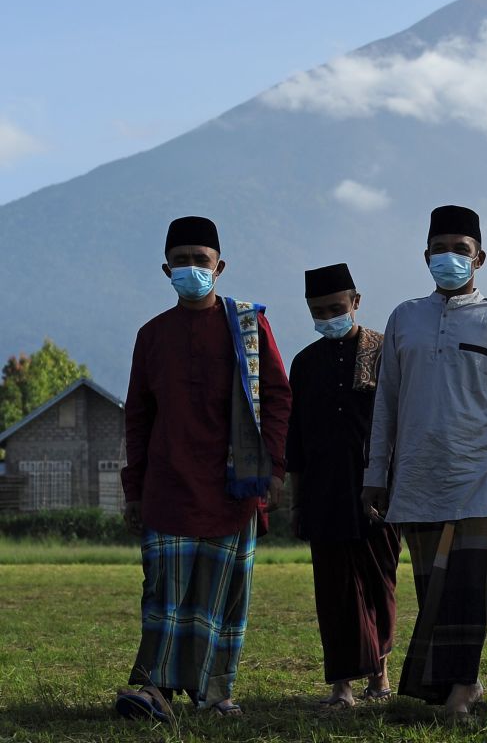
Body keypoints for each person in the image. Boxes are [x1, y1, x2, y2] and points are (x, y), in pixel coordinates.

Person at [115, 216, 291, 720]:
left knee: (224, 599)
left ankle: (216, 695)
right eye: (183, 261)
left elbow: (278, 397)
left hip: (233, 488)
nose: (193, 269)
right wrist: (134, 489)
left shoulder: (249, 328)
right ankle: (154, 691)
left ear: (221, 266)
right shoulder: (152, 336)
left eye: (202, 260)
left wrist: (274, 468)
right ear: (166, 268)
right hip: (167, 488)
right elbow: (138, 415)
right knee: (164, 597)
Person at [361, 205, 487, 719]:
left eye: (461, 250)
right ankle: (452, 684)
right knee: (433, 587)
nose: (450, 258)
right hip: (417, 477)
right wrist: (376, 474)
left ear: (480, 257)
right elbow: (386, 400)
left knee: (472, 586)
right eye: (441, 249)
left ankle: (462, 687)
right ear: (425, 256)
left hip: (480, 476)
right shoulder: (403, 318)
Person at [287, 263, 402, 709]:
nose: (329, 316)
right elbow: (295, 438)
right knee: (334, 595)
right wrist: (297, 503)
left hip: (378, 493)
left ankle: (381, 677)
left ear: (356, 302)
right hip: (323, 494)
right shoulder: (305, 363)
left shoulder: (383, 352)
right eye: (319, 311)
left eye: (336, 307)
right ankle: (342, 686)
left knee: (380, 586)